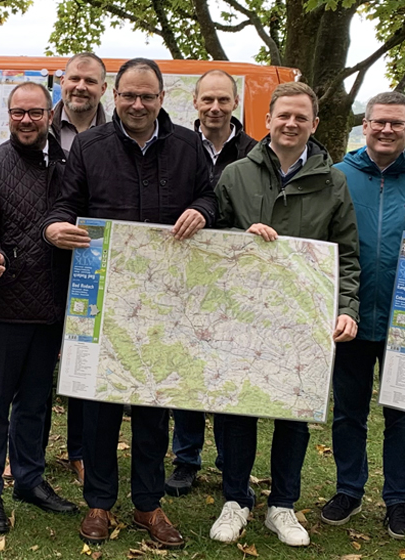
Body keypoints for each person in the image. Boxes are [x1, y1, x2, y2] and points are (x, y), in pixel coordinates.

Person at [43, 57, 216, 549]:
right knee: (99, 404)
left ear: (162, 98)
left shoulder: (187, 146)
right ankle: (99, 502)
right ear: (114, 96)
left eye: (147, 96)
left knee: (152, 406)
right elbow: (64, 204)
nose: (137, 104)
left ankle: (147, 503)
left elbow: (211, 197)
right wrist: (54, 227)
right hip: (105, 297)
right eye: (129, 95)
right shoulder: (90, 147)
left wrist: (200, 211)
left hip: (165, 301)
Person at [210, 82, 360, 547]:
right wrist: (239, 238)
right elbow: (211, 240)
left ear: (314, 124)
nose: (290, 124)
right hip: (244, 315)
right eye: (283, 115)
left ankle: (282, 505)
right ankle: (235, 500)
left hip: (302, 320)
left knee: (293, 412)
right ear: (268, 120)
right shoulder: (236, 174)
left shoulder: (333, 181)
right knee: (239, 409)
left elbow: (346, 254)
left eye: (300, 117)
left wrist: (347, 308)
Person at [322, 91, 405, 539]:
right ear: (365, 125)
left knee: (402, 414)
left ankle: (398, 500)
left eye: (396, 123)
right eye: (379, 121)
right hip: (353, 313)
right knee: (348, 411)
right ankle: (348, 490)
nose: (386, 129)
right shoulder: (337, 176)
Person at [0, 82, 80, 533]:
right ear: (9, 115)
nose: (26, 120)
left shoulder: (69, 165)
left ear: (50, 115)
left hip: (52, 304)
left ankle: (30, 479)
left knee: (35, 402)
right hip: (5, 302)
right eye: (18, 113)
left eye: (35, 112)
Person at [161, 68, 260, 498]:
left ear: (235, 103)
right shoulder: (177, 147)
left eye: (223, 100)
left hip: (237, 281)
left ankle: (229, 465)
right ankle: (186, 460)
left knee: (229, 372)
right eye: (207, 100)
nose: (215, 108)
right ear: (195, 103)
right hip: (185, 277)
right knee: (187, 369)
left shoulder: (256, 152)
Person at [46, 52, 109, 485]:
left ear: (104, 88)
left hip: (95, 261)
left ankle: (81, 451)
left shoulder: (116, 133)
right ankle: (24, 450)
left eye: (90, 80)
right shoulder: (38, 127)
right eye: (73, 79)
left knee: (86, 360)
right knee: (34, 365)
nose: (80, 87)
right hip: (44, 255)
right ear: (61, 83)